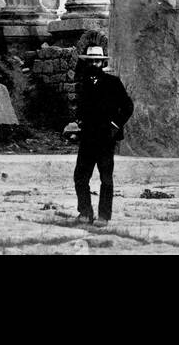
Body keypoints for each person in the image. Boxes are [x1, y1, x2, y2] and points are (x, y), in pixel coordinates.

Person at [73, 44, 133, 224]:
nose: (94, 64)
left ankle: (104, 216)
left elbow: (128, 107)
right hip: (87, 138)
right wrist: (78, 123)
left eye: (97, 61)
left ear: (102, 62)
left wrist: (115, 125)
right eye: (91, 61)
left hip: (106, 138)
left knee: (106, 178)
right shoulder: (82, 84)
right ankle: (85, 212)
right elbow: (81, 110)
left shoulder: (113, 82)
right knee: (80, 177)